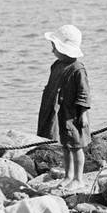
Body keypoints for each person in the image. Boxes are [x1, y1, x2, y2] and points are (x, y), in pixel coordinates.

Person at [37, 25, 91, 194]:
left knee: (76, 146)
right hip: (61, 113)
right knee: (65, 146)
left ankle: (78, 179)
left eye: (55, 47)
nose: (52, 50)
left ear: (65, 49)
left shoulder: (77, 69)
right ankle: (68, 176)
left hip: (74, 115)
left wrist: (83, 114)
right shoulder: (56, 66)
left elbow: (84, 93)